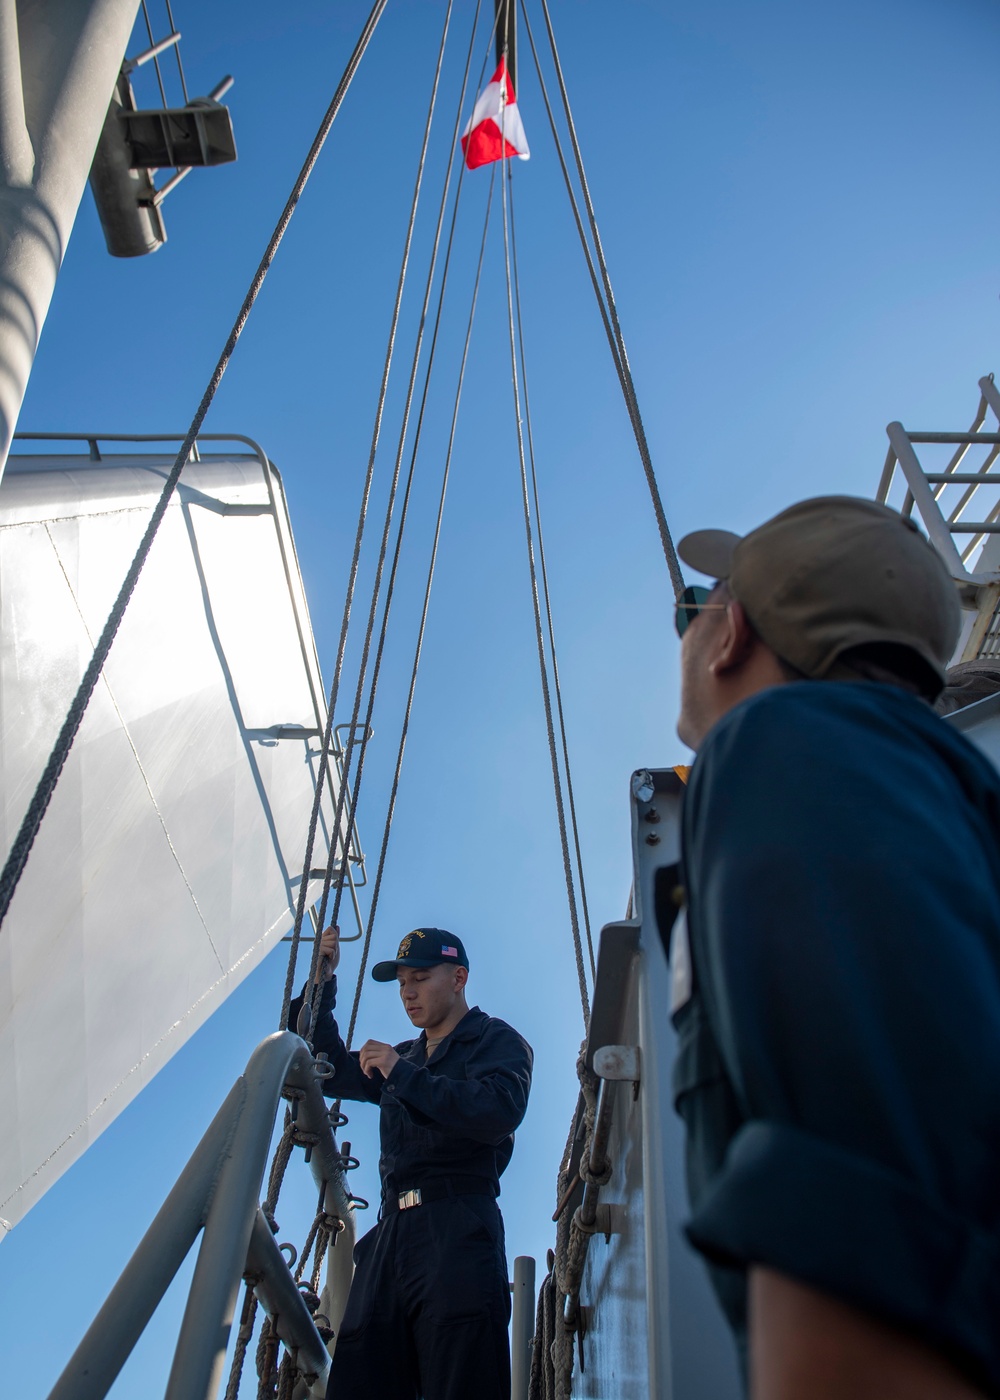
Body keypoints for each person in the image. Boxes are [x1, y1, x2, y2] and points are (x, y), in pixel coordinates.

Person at [668, 496, 1000, 1400]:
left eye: (692, 611)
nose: (688, 632)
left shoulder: (787, 747)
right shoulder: (933, 787)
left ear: (730, 632)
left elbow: (866, 1203)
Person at [289, 924, 532, 1400]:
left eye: (419, 978)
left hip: (457, 1230)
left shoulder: (496, 1041)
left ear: (459, 977)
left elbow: (496, 1111)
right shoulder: (405, 1057)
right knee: (360, 1378)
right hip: (389, 1240)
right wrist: (321, 980)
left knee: (459, 1378)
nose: (407, 993)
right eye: (401, 982)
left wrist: (402, 1074)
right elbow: (325, 1062)